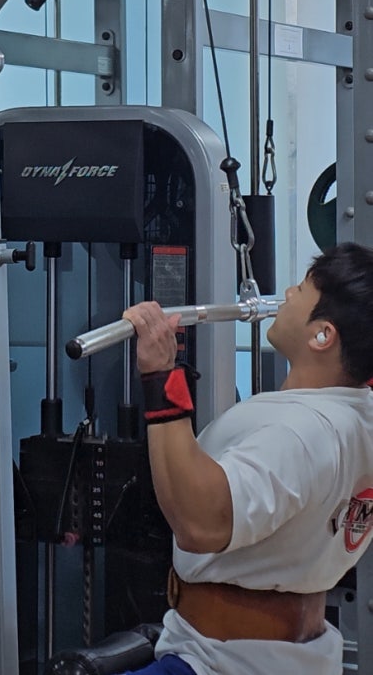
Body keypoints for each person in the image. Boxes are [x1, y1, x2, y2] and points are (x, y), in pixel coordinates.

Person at [120, 241, 373, 675]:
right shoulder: (356, 416)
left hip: (219, 663)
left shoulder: (300, 433)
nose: (287, 294)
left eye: (301, 289)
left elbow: (201, 523)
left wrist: (161, 377)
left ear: (322, 335)